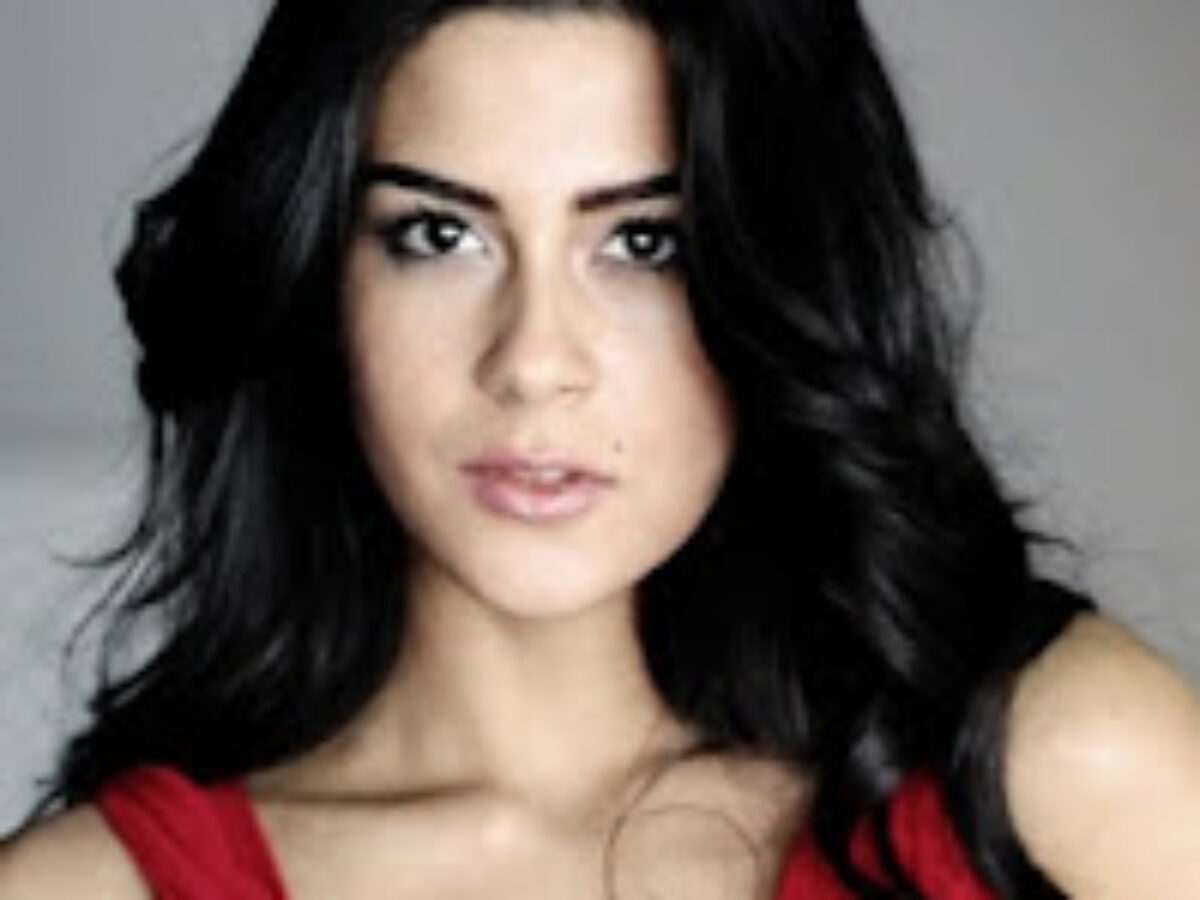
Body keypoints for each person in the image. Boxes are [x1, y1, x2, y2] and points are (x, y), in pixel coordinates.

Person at [2, 1, 1199, 897]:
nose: (533, 360)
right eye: (438, 234)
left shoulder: (1067, 775)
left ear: (781, 284)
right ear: (319, 280)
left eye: (643, 244)